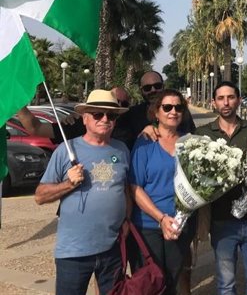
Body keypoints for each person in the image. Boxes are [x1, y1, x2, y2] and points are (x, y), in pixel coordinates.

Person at [34, 90, 130, 295]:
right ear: (85, 118)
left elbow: (126, 190)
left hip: (112, 248)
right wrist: (68, 184)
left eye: (111, 115)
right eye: (98, 114)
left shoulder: (122, 150)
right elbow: (40, 196)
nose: (105, 119)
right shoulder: (66, 150)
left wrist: (127, 220)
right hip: (74, 252)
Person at [195, 81, 247, 295]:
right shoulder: (203, 133)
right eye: (221, 98)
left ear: (238, 100)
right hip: (221, 221)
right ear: (214, 102)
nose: (226, 102)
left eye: (230, 97)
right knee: (226, 284)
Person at [129, 89, 197, 295]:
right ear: (156, 112)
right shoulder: (145, 143)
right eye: (167, 107)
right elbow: (135, 187)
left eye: (178, 107)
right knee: (151, 283)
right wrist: (161, 218)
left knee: (173, 279)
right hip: (148, 225)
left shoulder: (191, 143)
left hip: (180, 225)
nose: (173, 111)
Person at [116, 71, 195, 149]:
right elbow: (120, 144)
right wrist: (142, 136)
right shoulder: (131, 115)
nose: (153, 90)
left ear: (163, 86)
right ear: (141, 91)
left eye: (157, 86)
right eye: (147, 88)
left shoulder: (180, 111)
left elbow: (192, 136)